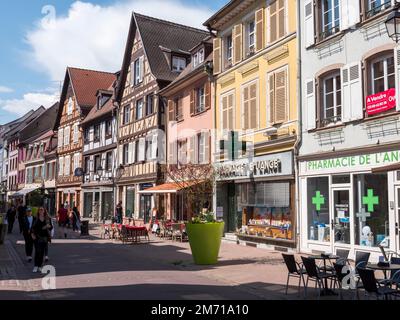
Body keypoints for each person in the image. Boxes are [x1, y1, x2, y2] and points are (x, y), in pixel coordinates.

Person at [31, 208, 53, 273]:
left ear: (44, 211)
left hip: (45, 237)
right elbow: (33, 228)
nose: (41, 211)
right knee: (37, 251)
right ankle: (35, 266)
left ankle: (40, 266)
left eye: (42, 209)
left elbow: (51, 227)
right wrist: (32, 234)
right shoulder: (35, 218)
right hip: (37, 237)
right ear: (38, 211)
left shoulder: (47, 218)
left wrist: (48, 226)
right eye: (40, 209)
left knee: (42, 253)